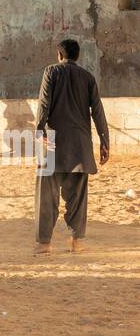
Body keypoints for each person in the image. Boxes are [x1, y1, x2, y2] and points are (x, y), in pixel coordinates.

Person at [34, 38, 109, 256]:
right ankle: (76, 243)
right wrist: (105, 141)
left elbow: (43, 104)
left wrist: (40, 132)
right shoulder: (88, 77)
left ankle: (44, 244)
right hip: (80, 147)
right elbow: (98, 111)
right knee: (78, 197)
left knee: (46, 195)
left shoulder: (50, 72)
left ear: (59, 55)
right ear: (77, 57)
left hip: (53, 144)